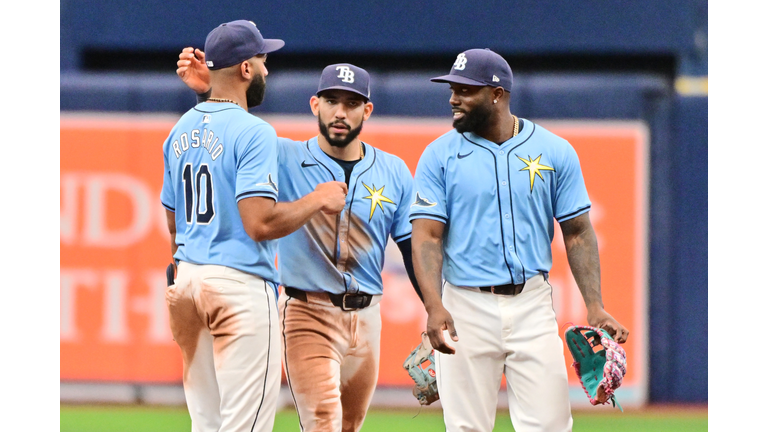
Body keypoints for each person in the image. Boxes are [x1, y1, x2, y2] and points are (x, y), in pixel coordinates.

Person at [177, 52, 422, 431]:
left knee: (349, 425)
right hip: (308, 310)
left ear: (367, 110)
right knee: (322, 421)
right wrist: (208, 93)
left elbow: (410, 247)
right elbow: (223, 139)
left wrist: (436, 312)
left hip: (367, 314)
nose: (340, 112)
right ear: (315, 105)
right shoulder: (283, 154)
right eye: (331, 101)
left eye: (352, 103)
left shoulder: (393, 170)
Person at [410, 48, 630, 432]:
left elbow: (577, 232)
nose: (453, 98)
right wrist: (433, 305)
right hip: (465, 304)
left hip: (532, 304)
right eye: (452, 89)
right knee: (466, 427)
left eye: (465, 90)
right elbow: (427, 237)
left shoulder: (554, 150)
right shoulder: (438, 155)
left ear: (497, 95)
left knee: (550, 425)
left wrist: (594, 306)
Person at [161, 20, 347, 432]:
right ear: (246, 69)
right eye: (263, 60)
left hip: (187, 282)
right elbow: (260, 223)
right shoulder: (255, 131)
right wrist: (317, 199)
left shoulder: (179, 130)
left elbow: (173, 222)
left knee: (206, 424)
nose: (267, 70)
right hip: (238, 288)